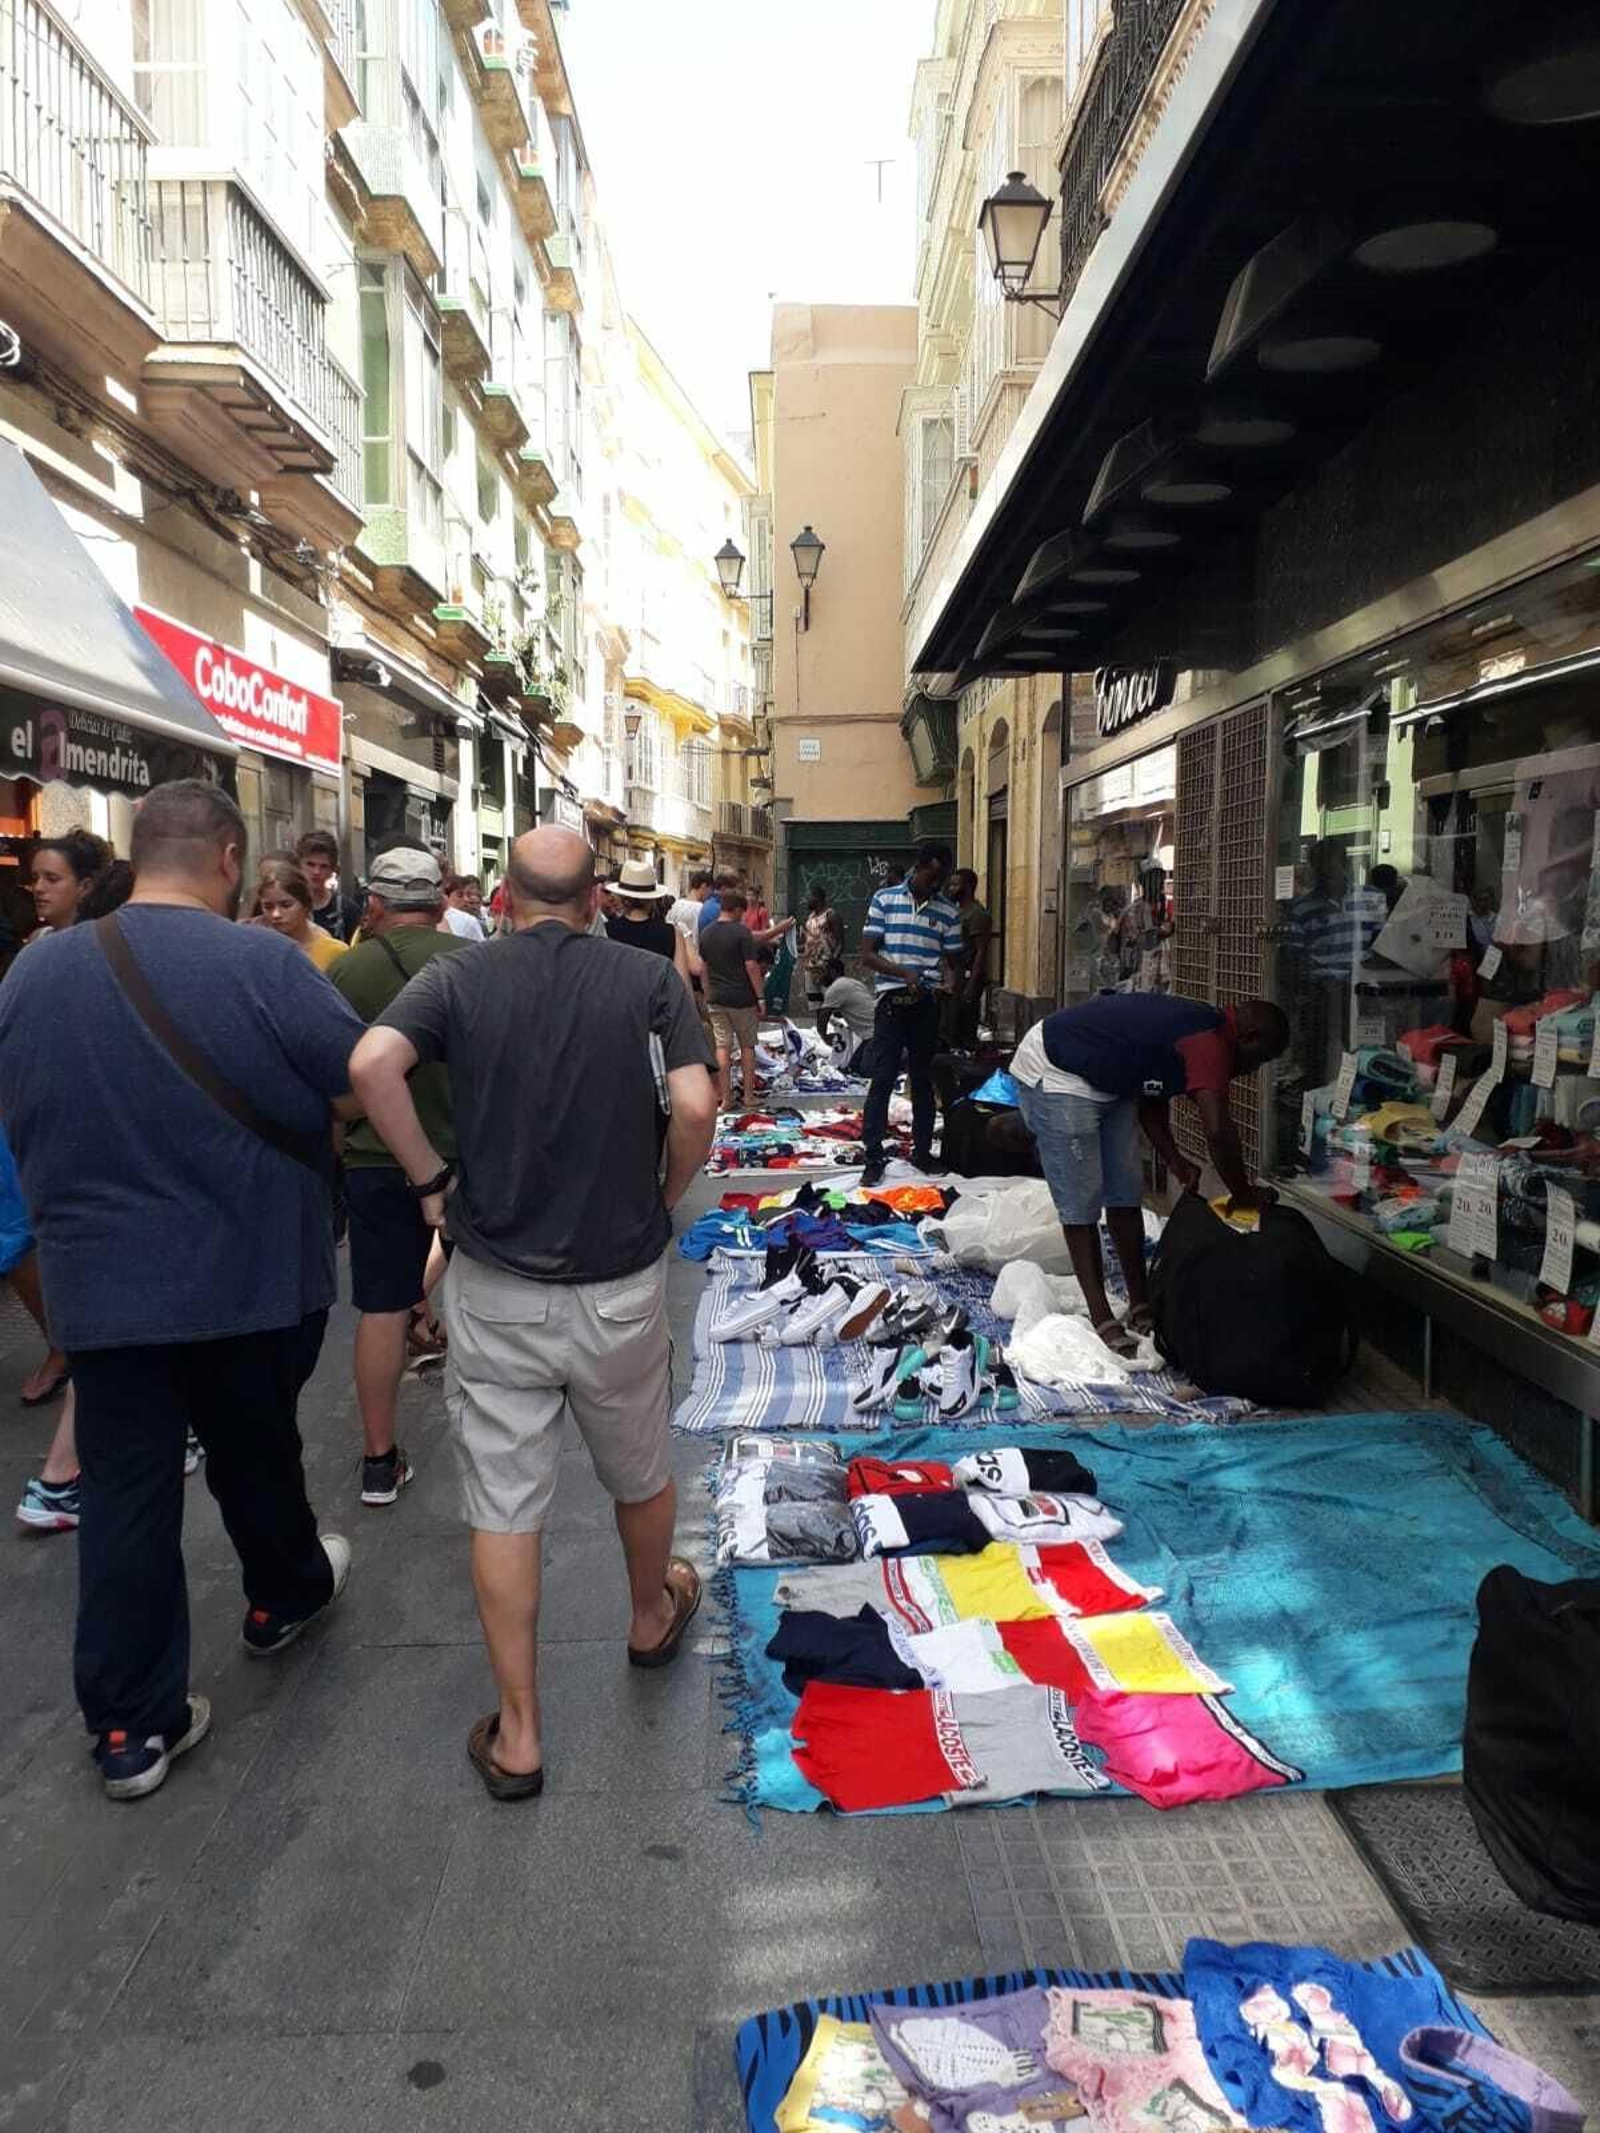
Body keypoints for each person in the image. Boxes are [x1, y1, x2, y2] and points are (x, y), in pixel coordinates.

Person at [0, 781, 362, 1799]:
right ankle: (282, 1596)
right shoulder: (266, 962)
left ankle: (130, 1728)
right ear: (230, 858)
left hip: (100, 1286)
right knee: (256, 1451)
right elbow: (354, 1083)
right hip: (248, 1273)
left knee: (125, 1492)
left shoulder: (35, 971)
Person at [348, 826, 720, 1799]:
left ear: (504, 901)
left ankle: (519, 1734)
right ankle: (649, 1616)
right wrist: (664, 1193)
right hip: (618, 1282)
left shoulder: (459, 977)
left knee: (506, 1506)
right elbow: (694, 1107)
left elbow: (372, 1064)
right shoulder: (647, 979)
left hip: (497, 1284)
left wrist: (430, 1184)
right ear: (595, 901)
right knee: (640, 1470)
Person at [1010, 993, 1290, 1357]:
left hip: (1111, 1080)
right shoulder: (1211, 1044)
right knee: (1082, 1200)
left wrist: (1175, 1161)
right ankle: (1101, 1315)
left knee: (1126, 1190)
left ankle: (1139, 1302)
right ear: (1248, 1038)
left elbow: (1152, 1100)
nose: (1253, 1071)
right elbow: (1218, 1131)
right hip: (1059, 1068)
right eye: (1261, 1059)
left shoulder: (1198, 1034)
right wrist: (1243, 1194)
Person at [330, 848, 468, 1508]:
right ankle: (496, 1446)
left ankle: (378, 1461)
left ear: (375, 905)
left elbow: (331, 1076)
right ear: (440, 904)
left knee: (381, 1308)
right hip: (464, 1154)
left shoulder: (345, 969)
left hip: (375, 1158)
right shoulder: (471, 963)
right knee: (489, 1298)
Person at [858, 842, 964, 1187]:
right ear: (917, 869)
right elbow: (867, 954)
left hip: (926, 1005)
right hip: (892, 1003)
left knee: (922, 1080)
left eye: (941, 879)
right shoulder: (885, 899)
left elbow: (954, 961)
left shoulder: (948, 911)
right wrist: (904, 974)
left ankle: (922, 1152)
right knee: (883, 1078)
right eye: (932, 877)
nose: (936, 885)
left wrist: (950, 984)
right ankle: (873, 1155)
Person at [700, 885, 765, 1110]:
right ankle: (748, 1096)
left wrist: (707, 993)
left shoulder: (706, 933)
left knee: (722, 1047)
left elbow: (703, 968)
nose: (743, 916)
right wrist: (761, 997)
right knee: (747, 1046)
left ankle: (726, 1099)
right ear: (736, 909)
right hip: (742, 999)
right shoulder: (742, 933)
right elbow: (751, 966)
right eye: (742, 911)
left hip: (717, 999)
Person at [605, 856, 702, 993]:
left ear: (621, 897)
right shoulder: (673, 934)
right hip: (658, 1004)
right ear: (651, 899)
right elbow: (682, 989)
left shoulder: (606, 931)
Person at [256, 858, 348, 974]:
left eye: (286, 905)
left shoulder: (334, 952)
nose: (276, 914)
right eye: (268, 907)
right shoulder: (257, 951)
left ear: (305, 905)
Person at [28, 827, 111, 939]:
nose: (38, 888)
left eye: (52, 879)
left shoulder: (102, 940)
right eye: (35, 879)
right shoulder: (38, 938)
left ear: (85, 887)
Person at [944, 867, 991, 1049]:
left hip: (967, 975)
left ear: (968, 887)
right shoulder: (954, 911)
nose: (951, 889)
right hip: (954, 974)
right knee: (950, 1026)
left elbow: (981, 951)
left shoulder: (976, 914)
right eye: (951, 884)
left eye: (956, 885)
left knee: (964, 1025)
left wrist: (972, 984)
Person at [296, 830, 363, 944]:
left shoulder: (346, 910)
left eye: (323, 866)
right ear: (299, 865)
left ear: (332, 870)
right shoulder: (285, 905)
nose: (316, 872)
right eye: (310, 864)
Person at [799, 882, 844, 1013]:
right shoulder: (811, 917)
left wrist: (831, 965)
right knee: (816, 1004)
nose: (807, 901)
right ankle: (821, 1026)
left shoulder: (831, 915)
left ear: (817, 898)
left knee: (831, 1004)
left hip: (826, 968)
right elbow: (811, 940)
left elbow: (841, 943)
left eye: (809, 897)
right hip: (810, 967)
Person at [821, 970, 877, 1074]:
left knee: (866, 1070)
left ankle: (901, 1060)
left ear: (833, 971)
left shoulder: (836, 988)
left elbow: (823, 1015)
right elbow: (855, 1006)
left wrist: (824, 1036)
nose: (820, 977)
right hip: (873, 1033)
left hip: (876, 1035)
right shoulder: (854, 983)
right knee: (854, 1068)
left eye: (823, 972)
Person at [446, 871, 492, 938]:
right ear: (446, 897)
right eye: (460, 895)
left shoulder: (471, 920)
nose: (466, 899)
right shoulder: (468, 921)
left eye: (467, 895)